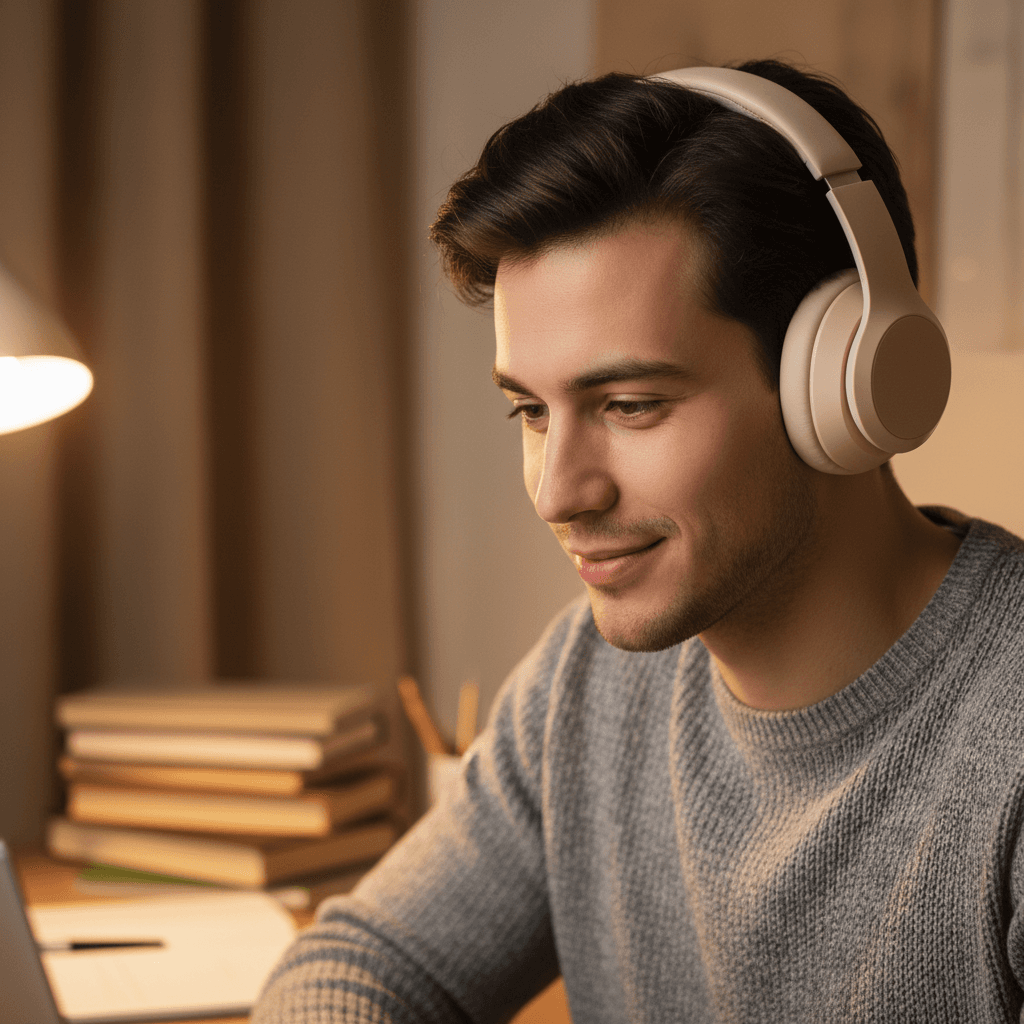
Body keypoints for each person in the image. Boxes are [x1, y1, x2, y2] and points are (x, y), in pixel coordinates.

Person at [252, 59, 1024, 1022]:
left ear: (847, 385)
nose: (558, 493)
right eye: (531, 412)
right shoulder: (587, 685)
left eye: (629, 404)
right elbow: (362, 963)